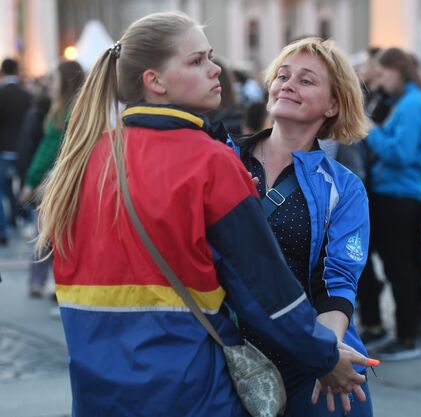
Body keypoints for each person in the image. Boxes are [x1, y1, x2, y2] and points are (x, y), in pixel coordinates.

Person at [35, 11, 370, 417]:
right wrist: (324, 355)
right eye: (197, 61)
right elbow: (263, 287)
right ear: (155, 81)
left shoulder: (89, 156)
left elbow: (338, 278)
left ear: (334, 104)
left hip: (99, 385)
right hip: (189, 380)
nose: (215, 69)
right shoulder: (212, 160)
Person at [232, 37, 373, 416]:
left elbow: (336, 281)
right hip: (225, 352)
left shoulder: (344, 187)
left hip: (305, 356)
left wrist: (326, 356)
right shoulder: (224, 160)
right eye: (282, 75)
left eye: (306, 80)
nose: (288, 84)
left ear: (333, 104)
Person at [358, 48, 421, 361]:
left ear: (397, 71)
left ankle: (407, 337)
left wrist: (371, 132)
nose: (380, 81)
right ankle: (400, 330)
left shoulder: (413, 104)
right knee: (394, 262)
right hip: (392, 191)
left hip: (400, 193)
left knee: (398, 266)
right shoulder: (408, 101)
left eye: (383, 74)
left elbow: (401, 154)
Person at [19, 61, 85, 298]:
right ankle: (58, 285)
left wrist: (30, 181)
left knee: (44, 234)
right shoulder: (74, 109)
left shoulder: (63, 112)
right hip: (63, 182)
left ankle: (46, 284)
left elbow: (47, 151)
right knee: (59, 237)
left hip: (53, 183)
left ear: (64, 82)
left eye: (54, 80)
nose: (50, 86)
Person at [0, 58, 33, 244]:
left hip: (3, 150)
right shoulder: (26, 95)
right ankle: (19, 219)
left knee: (2, 190)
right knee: (18, 188)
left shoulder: (2, 93)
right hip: (21, 150)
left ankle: (3, 230)